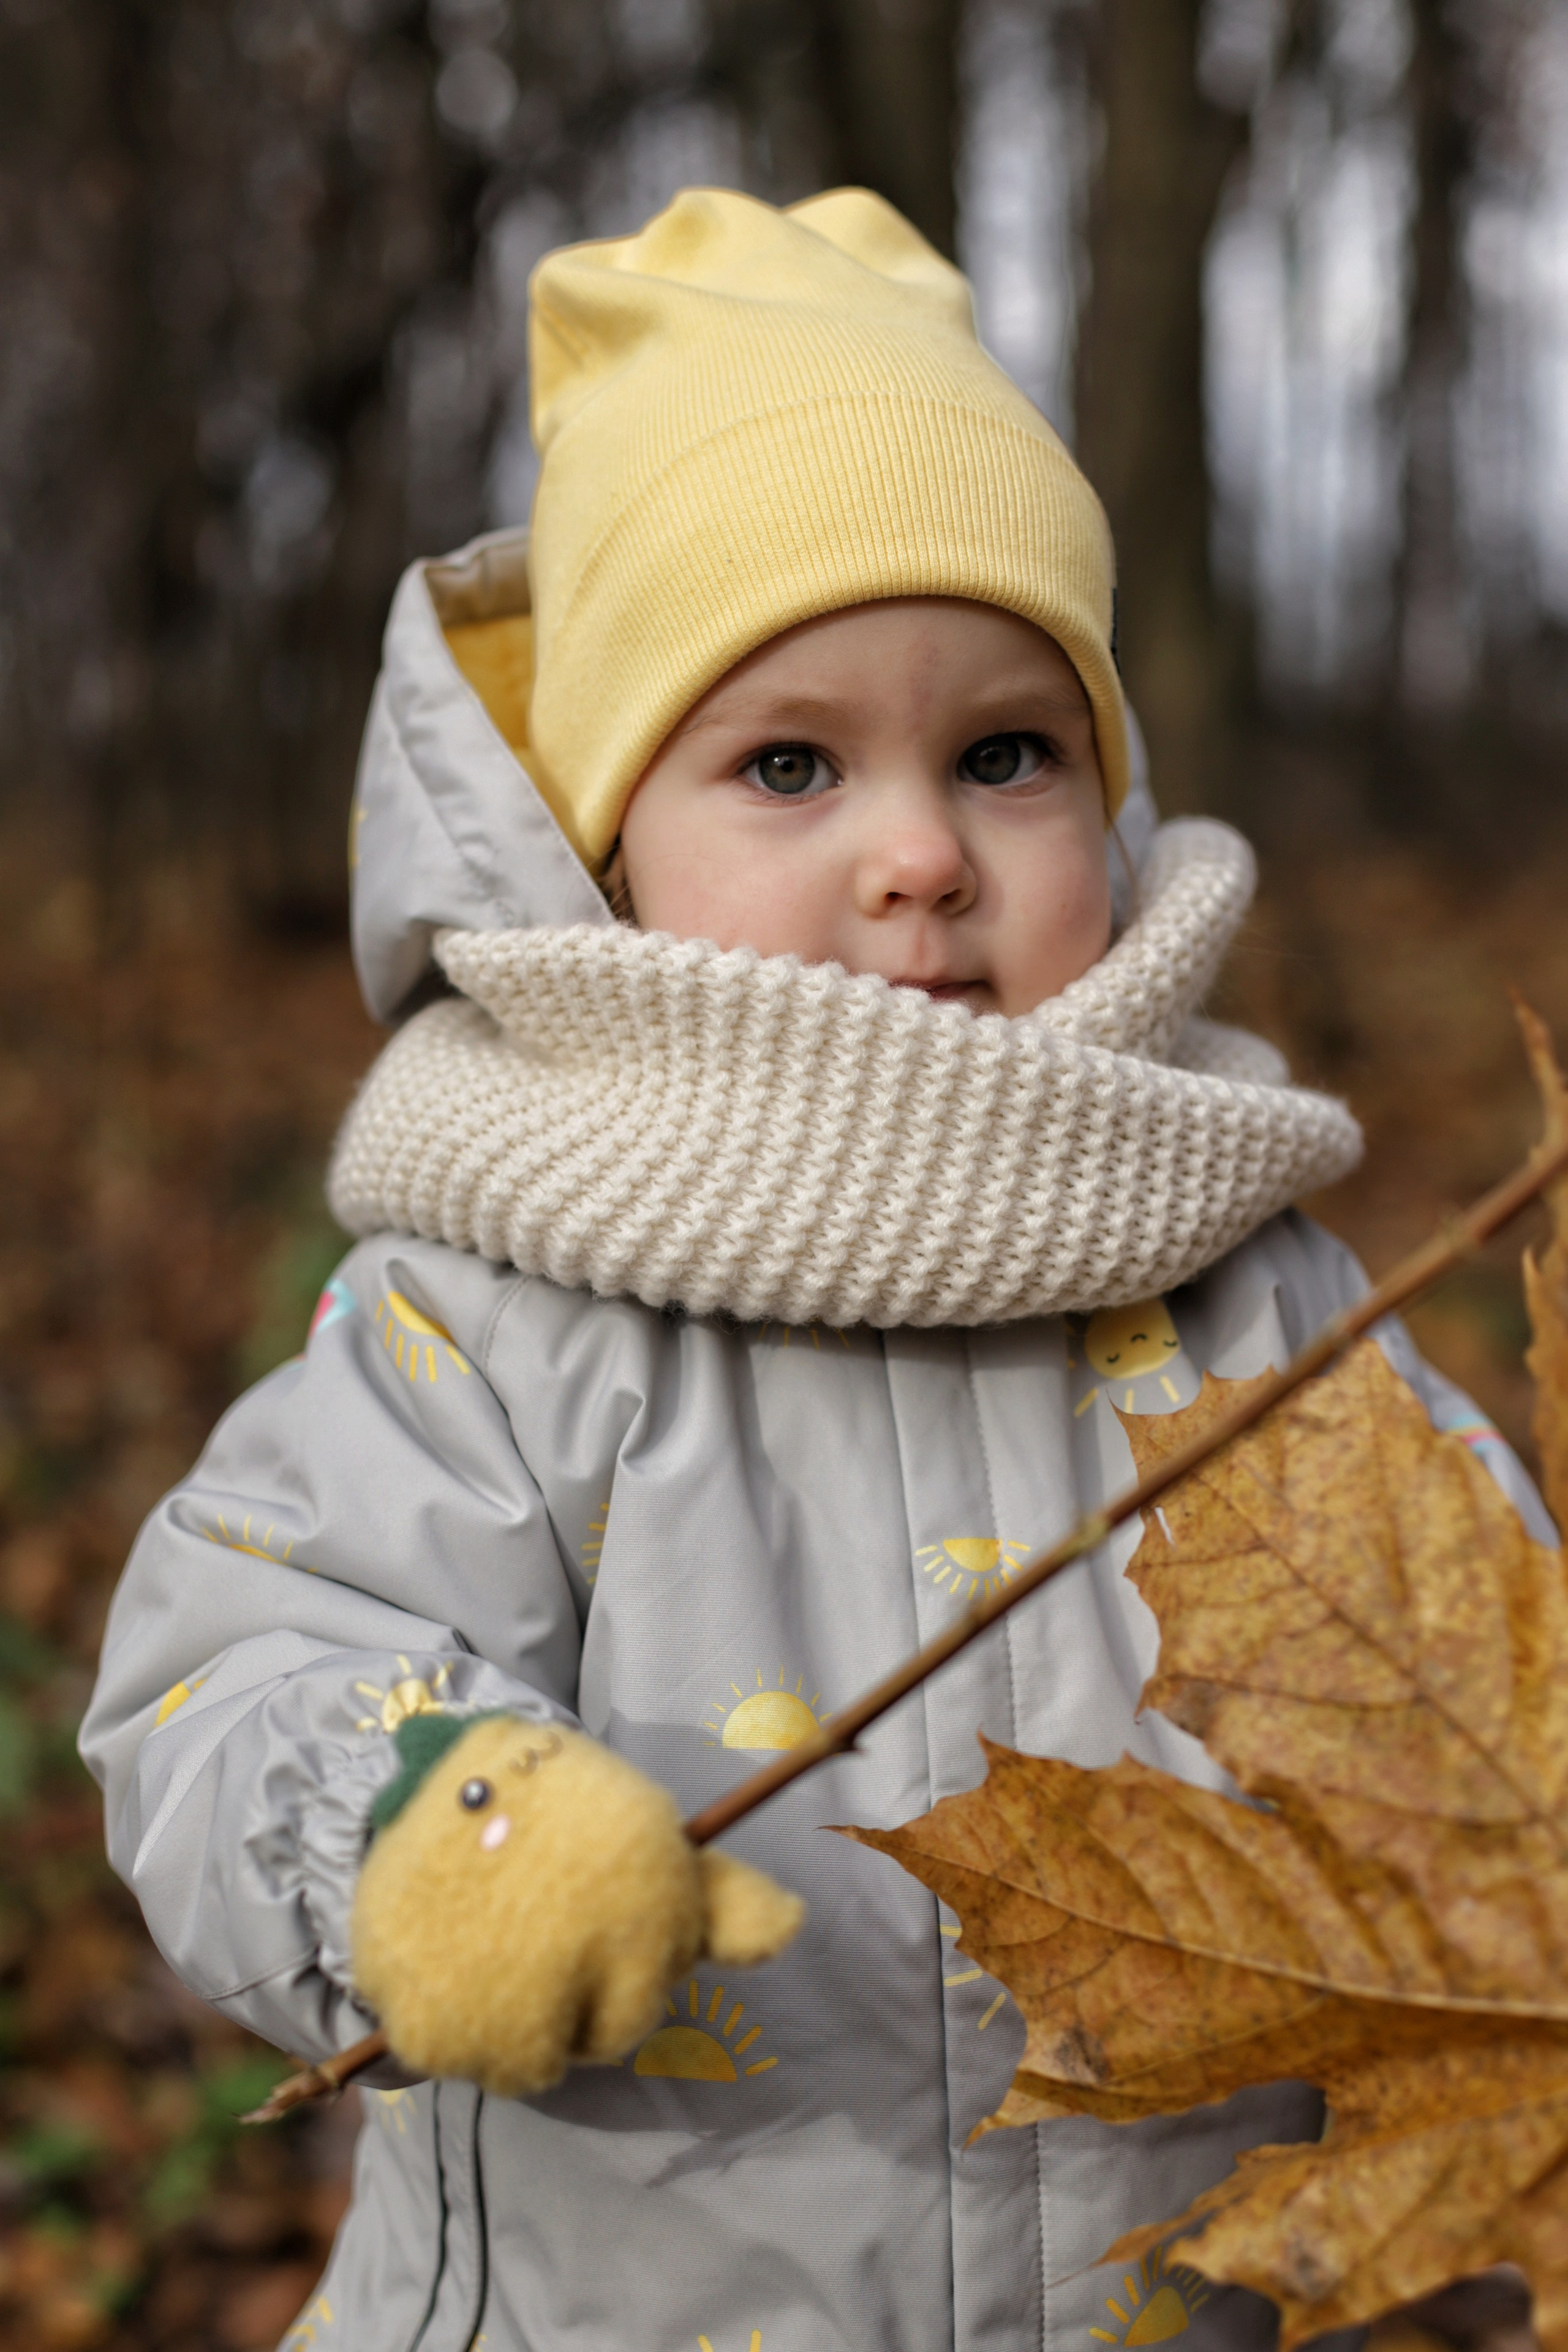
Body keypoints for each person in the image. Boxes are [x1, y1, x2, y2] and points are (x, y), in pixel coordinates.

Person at [80, 187, 1549, 2352]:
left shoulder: (1248, 1294)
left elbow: (1494, 1697)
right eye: (788, 761)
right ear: (605, 850)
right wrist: (420, 1824)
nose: (924, 851)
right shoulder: (502, 1303)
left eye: (1007, 754)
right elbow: (237, 1659)